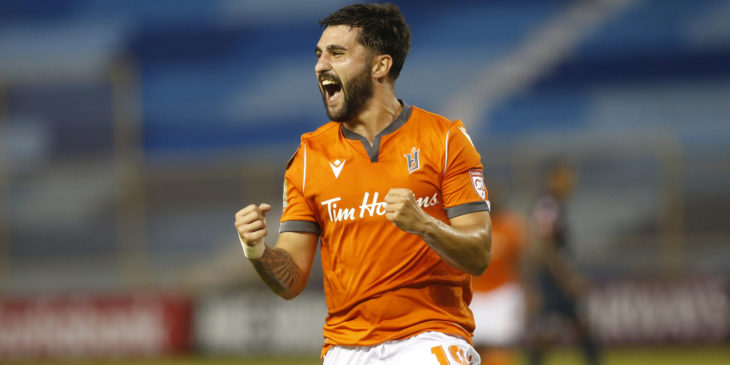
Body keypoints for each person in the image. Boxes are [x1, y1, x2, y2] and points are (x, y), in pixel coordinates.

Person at [234, 3, 491, 365]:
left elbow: (479, 254)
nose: (320, 65)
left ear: (380, 66)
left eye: (337, 53)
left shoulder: (445, 140)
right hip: (345, 350)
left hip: (429, 337)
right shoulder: (309, 157)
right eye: (319, 54)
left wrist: (424, 225)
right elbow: (291, 279)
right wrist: (257, 250)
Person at [523, 157, 601, 365]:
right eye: (566, 178)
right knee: (551, 332)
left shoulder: (554, 204)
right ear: (553, 178)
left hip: (554, 279)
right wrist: (567, 277)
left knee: (578, 328)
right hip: (552, 281)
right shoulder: (548, 204)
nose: (571, 182)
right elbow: (545, 245)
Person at [470, 187, 527, 365]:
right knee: (471, 348)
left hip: (502, 293)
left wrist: (526, 289)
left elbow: (521, 262)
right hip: (474, 294)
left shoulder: (510, 227)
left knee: (500, 347)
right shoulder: (469, 224)